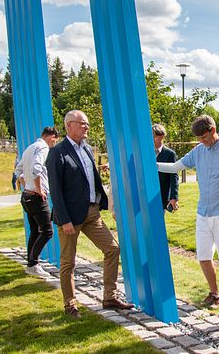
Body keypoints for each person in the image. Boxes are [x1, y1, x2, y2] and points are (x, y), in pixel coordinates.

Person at [46, 110, 134, 319]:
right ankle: (70, 305)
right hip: (70, 218)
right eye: (82, 123)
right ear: (69, 125)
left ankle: (109, 297)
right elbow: (56, 191)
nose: (87, 127)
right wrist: (65, 219)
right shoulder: (57, 153)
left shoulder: (86, 149)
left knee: (112, 249)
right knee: (68, 262)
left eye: (87, 124)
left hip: (91, 213)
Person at [157, 115, 219, 308]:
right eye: (198, 139)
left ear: (212, 131)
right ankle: (213, 291)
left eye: (204, 138)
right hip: (203, 213)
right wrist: (151, 165)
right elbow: (174, 167)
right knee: (203, 256)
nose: (201, 142)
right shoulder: (199, 151)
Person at [15, 127, 59, 278]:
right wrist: (40, 189)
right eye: (55, 140)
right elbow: (36, 169)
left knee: (35, 231)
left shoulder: (30, 148)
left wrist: (22, 180)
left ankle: (31, 263)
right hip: (36, 196)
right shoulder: (43, 148)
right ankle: (33, 263)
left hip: (26, 196)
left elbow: (18, 169)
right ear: (51, 136)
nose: (54, 144)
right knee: (47, 231)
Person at [153, 124, 179, 212]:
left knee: (157, 223)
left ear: (161, 137)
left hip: (161, 196)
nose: (151, 139)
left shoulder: (170, 154)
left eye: (154, 136)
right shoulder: (145, 153)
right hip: (145, 195)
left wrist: (173, 197)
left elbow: (173, 176)